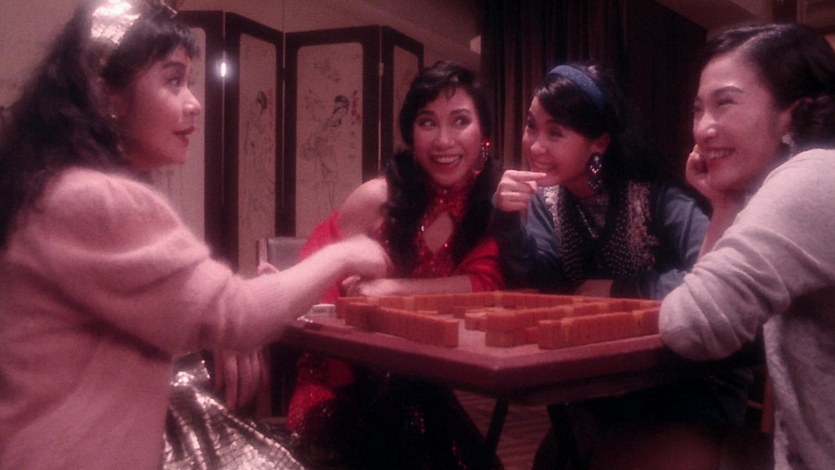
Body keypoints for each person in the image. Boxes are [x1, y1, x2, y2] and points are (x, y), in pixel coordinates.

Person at [0, 1, 390, 468]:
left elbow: (201, 308)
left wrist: (214, 312)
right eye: (173, 80)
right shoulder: (96, 198)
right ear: (106, 94)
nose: (194, 102)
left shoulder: (55, 186)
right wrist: (345, 253)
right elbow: (239, 314)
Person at [491, 63, 750, 469]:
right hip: (604, 384)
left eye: (555, 133)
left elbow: (716, 278)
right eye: (531, 127)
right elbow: (543, 286)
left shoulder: (656, 196)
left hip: (689, 380)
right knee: (554, 459)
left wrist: (619, 290)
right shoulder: (547, 201)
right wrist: (507, 222)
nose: (535, 146)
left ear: (599, 143)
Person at [287, 60, 504, 469]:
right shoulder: (377, 199)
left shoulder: (488, 207)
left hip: (420, 385)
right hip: (339, 385)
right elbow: (312, 286)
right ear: (410, 133)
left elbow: (484, 284)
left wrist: (390, 290)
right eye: (427, 123)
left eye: (460, 121)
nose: (444, 140)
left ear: (484, 134)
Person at [660, 23, 835, 470]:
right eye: (698, 110)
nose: (703, 128)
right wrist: (724, 205)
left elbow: (691, 324)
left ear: (793, 114)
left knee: (602, 448)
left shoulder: (814, 177)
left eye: (725, 103)